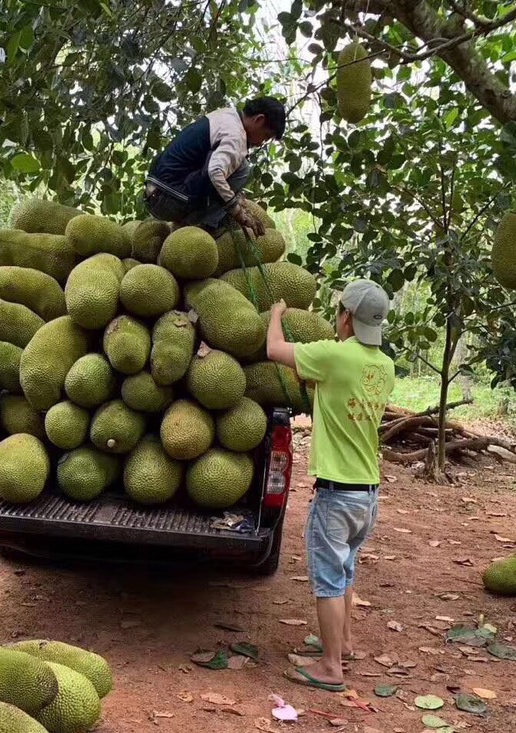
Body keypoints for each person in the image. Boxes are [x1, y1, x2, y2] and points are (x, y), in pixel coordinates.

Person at [265, 280, 395, 693]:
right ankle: (346, 643)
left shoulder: (334, 356)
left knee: (327, 580)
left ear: (345, 317)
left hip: (337, 494)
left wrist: (276, 315)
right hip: (368, 494)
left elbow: (274, 351)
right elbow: (341, 391)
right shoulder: (385, 367)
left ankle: (330, 666)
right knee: (344, 571)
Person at [143, 97, 287, 238]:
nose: (262, 142)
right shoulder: (236, 136)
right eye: (266, 136)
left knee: (234, 167)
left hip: (155, 194)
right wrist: (237, 211)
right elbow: (215, 171)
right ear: (259, 120)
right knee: (243, 169)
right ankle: (204, 225)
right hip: (169, 200)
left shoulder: (227, 115)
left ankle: (193, 223)